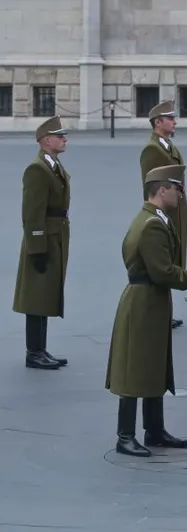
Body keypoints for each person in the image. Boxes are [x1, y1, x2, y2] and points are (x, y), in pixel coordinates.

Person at [106, 164, 187, 457]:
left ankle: (154, 429)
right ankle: (125, 435)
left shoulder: (152, 218)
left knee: (154, 362)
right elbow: (162, 272)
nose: (181, 194)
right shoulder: (152, 224)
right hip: (144, 301)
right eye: (177, 188)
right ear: (161, 190)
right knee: (134, 367)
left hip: (150, 300)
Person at [13, 116, 72, 370]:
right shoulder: (37, 169)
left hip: (55, 236)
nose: (64, 139)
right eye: (60, 136)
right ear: (46, 141)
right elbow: (32, 212)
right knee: (36, 297)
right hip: (43, 239)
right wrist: (37, 246)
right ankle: (33, 352)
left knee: (46, 293)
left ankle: (41, 349)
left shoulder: (53, 165)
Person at [139, 100, 187, 330]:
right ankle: (161, 312)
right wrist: (158, 213)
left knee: (171, 257)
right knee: (162, 260)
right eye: (170, 118)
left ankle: (167, 311)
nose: (174, 121)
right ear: (158, 123)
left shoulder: (168, 146)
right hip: (166, 210)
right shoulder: (152, 149)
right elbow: (149, 184)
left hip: (176, 209)